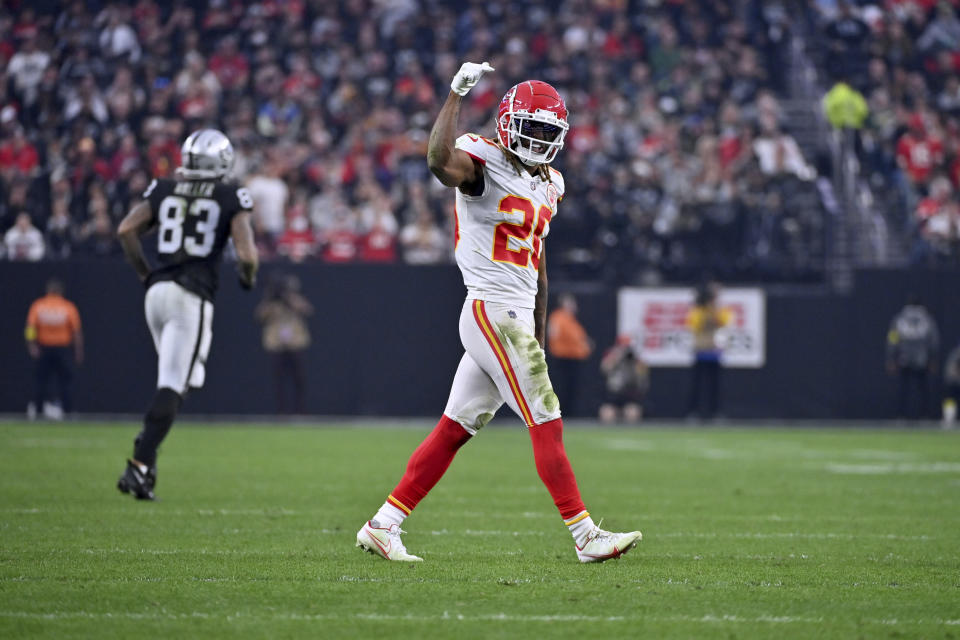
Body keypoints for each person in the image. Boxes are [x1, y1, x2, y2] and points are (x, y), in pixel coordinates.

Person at [355, 62, 642, 563]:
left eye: (546, 131)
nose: (536, 139)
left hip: (515, 312)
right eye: (529, 128)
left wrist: (539, 329)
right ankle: (585, 536)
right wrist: (453, 95)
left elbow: (540, 267)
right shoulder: (481, 161)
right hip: (491, 309)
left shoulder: (551, 184)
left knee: (455, 427)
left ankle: (383, 525)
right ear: (508, 123)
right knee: (545, 415)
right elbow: (438, 161)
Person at [115, 129, 259, 500]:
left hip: (157, 293)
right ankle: (141, 464)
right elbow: (246, 255)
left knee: (183, 380)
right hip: (189, 295)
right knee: (174, 383)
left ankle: (146, 447)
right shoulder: (230, 194)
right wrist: (247, 279)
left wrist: (146, 274)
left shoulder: (163, 188)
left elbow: (127, 229)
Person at [24, 278, 83, 419]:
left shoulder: (38, 306)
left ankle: (38, 411)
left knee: (41, 381)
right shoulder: (68, 307)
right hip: (62, 349)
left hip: (44, 348)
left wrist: (32, 345)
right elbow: (76, 332)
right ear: (61, 292)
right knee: (65, 382)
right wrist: (78, 351)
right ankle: (67, 412)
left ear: (48, 291)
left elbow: (30, 328)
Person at [255, 274, 313, 414]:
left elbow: (307, 310)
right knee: (278, 380)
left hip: (295, 342)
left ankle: (300, 411)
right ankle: (280, 412)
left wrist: (289, 298)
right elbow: (259, 316)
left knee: (299, 379)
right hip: (276, 343)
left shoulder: (293, 299)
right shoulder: (270, 302)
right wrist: (270, 299)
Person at [886, 295, 940, 420]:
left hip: (904, 357)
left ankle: (901, 415)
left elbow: (892, 339)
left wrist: (891, 357)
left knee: (903, 389)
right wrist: (933, 358)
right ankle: (924, 415)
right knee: (923, 389)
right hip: (922, 358)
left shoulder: (899, 318)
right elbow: (934, 340)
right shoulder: (927, 318)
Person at [686, 282, 732, 420]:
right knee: (697, 384)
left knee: (715, 385)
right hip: (701, 350)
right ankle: (694, 412)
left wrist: (714, 309)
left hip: (714, 351)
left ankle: (715, 412)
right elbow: (693, 324)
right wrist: (705, 310)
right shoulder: (698, 311)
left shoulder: (719, 310)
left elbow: (725, 321)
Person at [547, 293, 593, 416]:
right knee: (562, 386)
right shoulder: (558, 317)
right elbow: (559, 337)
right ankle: (560, 412)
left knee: (572, 388)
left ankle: (570, 413)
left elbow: (580, 338)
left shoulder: (571, 320)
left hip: (573, 359)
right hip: (563, 358)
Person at [599, 336, 649, 424]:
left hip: (630, 392)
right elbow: (604, 369)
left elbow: (643, 376)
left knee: (632, 413)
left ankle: (631, 435)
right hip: (614, 392)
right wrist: (617, 356)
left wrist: (637, 362)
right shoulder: (612, 355)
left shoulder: (636, 358)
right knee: (607, 413)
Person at [941, 341, 960, 429]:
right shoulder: (956, 355)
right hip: (953, 382)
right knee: (950, 399)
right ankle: (949, 420)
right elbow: (952, 371)